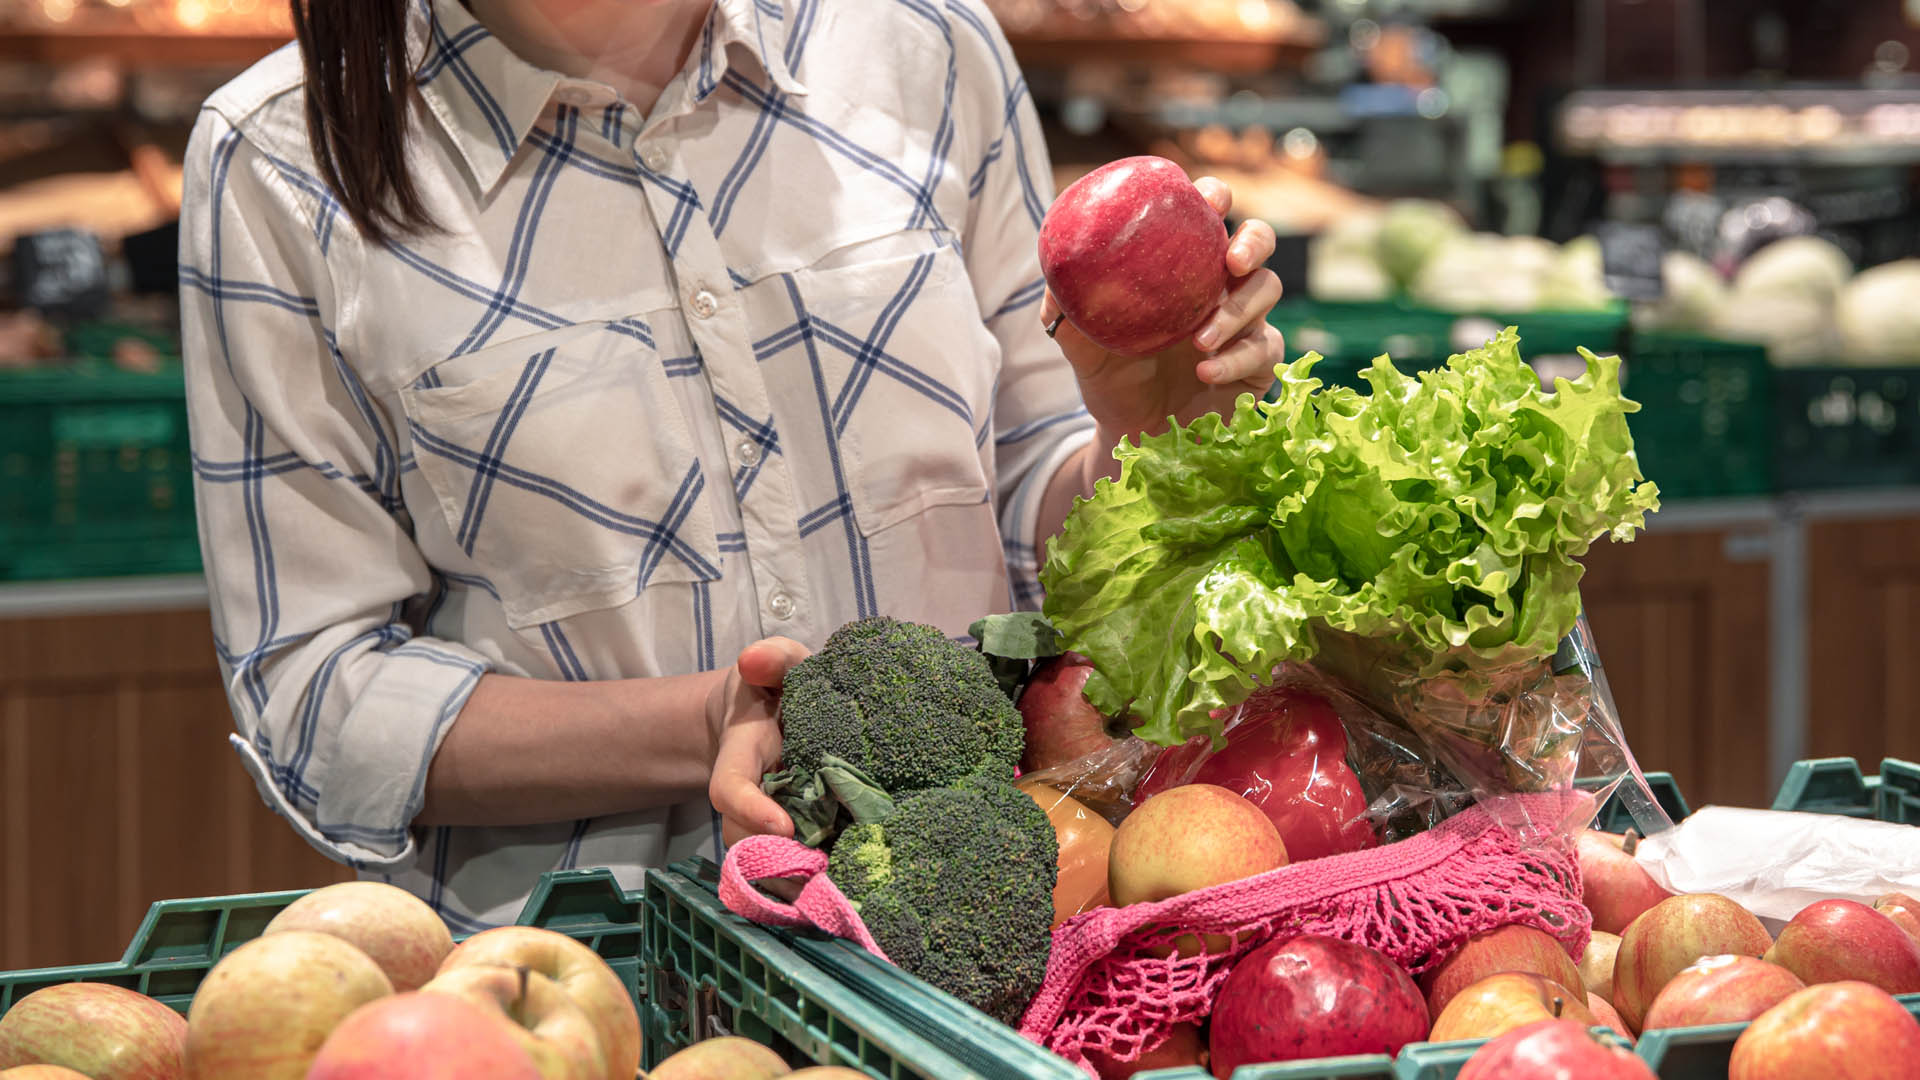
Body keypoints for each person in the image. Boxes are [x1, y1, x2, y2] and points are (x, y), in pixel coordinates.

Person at [178, 0, 1285, 929]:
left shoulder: (926, 50)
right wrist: (707, 722)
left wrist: (1143, 429)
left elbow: (1031, 495)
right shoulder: (280, 164)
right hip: (592, 978)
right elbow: (317, 694)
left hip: (985, 946)